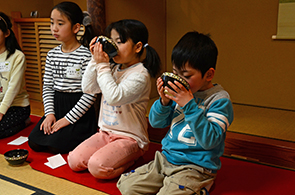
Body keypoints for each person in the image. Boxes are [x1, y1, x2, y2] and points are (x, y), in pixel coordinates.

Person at [117, 31, 234, 195]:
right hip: (166, 159)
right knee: (126, 185)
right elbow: (156, 123)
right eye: (175, 73)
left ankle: (200, 186)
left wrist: (189, 105)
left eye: (185, 75)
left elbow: (210, 140)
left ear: (209, 74)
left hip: (195, 167)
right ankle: (171, 183)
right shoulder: (177, 93)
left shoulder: (219, 101)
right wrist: (163, 102)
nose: (178, 80)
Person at [67, 19, 161, 180]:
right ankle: (113, 157)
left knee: (97, 168)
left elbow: (114, 97)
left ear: (138, 47)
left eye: (120, 42)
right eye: (112, 41)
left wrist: (102, 65)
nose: (114, 47)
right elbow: (88, 87)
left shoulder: (140, 75)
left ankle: (133, 160)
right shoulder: (111, 67)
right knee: (74, 161)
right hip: (105, 133)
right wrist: (94, 59)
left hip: (131, 138)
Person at [28, 1, 97, 154]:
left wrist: (67, 120)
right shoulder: (52, 54)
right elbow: (47, 87)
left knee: (56, 146)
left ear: (76, 28)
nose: (54, 28)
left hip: (78, 109)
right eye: (52, 23)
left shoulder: (86, 56)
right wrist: (49, 114)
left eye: (60, 23)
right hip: (57, 106)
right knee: (34, 141)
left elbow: (90, 94)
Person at [0, 12, 31, 139]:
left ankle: (25, 122)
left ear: (6, 33)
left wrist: (1, 111)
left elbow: (13, 87)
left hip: (17, 106)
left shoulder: (17, 56)